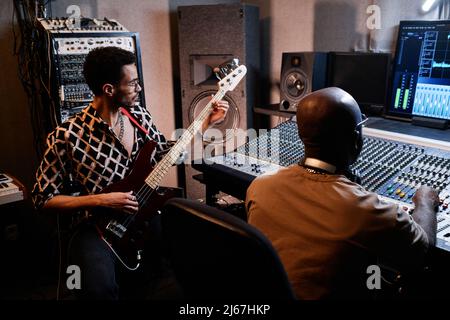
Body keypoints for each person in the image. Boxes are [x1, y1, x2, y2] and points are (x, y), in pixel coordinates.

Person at [32, 46, 229, 299]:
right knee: (99, 290)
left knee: (188, 263)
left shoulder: (140, 117)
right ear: (109, 89)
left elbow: (163, 155)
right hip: (97, 226)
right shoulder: (67, 136)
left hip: (143, 214)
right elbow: (42, 198)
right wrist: (100, 199)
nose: (139, 89)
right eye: (133, 83)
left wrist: (204, 124)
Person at [245, 87, 439, 299]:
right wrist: (426, 200)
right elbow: (424, 249)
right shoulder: (366, 211)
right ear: (356, 139)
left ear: (301, 134)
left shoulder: (259, 187)